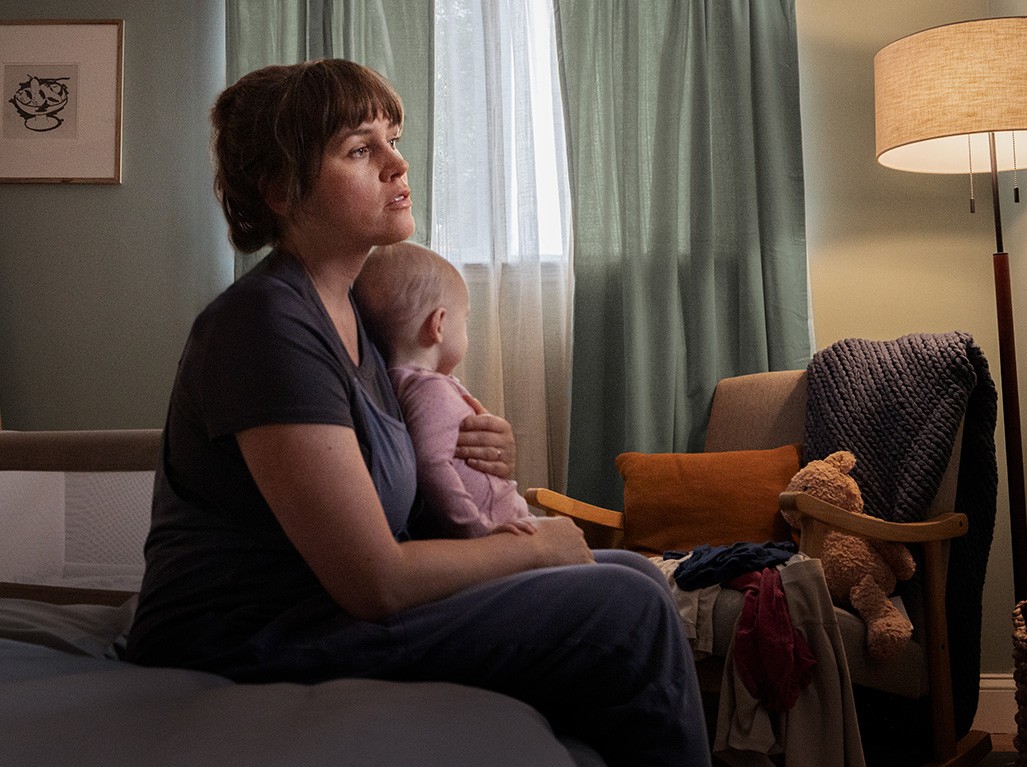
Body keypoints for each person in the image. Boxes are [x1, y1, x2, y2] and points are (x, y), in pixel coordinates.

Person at [126, 58, 711, 766]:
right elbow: (375, 580)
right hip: (247, 637)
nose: (398, 163)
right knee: (628, 605)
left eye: (393, 139)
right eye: (359, 149)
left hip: (321, 612)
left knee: (636, 575)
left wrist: (479, 456)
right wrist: (534, 546)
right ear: (280, 190)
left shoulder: (356, 322)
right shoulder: (266, 325)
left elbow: (397, 508)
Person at [353, 241, 535, 538]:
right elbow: (432, 463)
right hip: (497, 528)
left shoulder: (399, 383)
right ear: (438, 324)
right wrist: (476, 529)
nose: (465, 331)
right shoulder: (430, 389)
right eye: (464, 319)